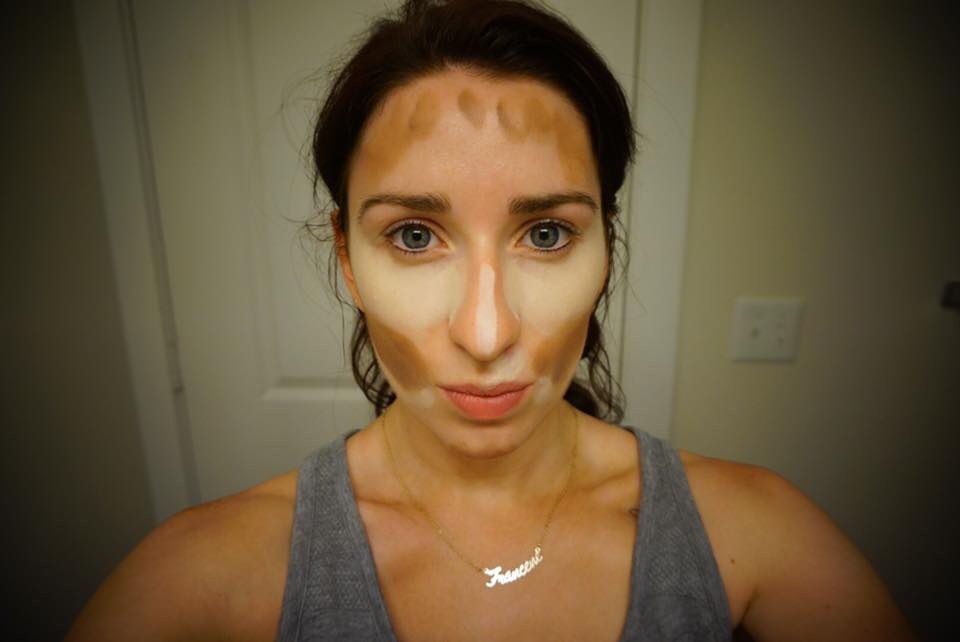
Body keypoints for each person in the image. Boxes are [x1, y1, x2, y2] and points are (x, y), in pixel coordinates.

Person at [68, 1, 916, 640]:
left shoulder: (757, 537)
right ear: (346, 258)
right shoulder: (197, 580)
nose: (486, 334)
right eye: (414, 235)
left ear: (607, 247)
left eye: (546, 234)